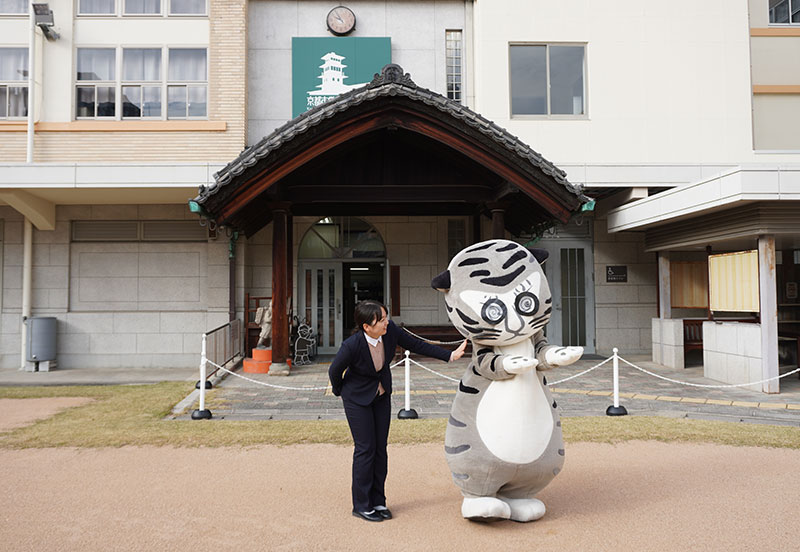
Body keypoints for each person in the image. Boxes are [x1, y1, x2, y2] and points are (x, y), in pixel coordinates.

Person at [329, 300, 467, 522]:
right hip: (357, 399)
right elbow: (335, 371)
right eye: (381, 320)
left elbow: (416, 344)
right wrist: (340, 391)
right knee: (366, 449)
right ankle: (361, 505)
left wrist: (449, 355)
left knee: (380, 449)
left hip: (381, 395)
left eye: (386, 317)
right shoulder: (352, 345)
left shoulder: (390, 330)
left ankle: (378, 501)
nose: (386, 323)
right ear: (367, 326)